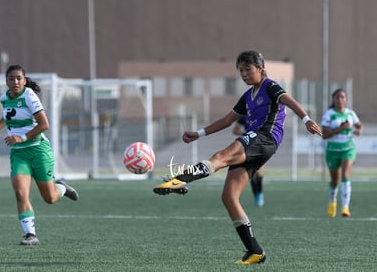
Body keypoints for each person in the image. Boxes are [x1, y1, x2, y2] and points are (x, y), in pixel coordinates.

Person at [153, 50, 322, 265]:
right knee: (229, 196)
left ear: (260, 68)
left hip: (264, 137)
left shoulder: (269, 85)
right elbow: (227, 120)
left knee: (221, 156)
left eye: (247, 69)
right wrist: (199, 133)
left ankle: (181, 179)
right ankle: (255, 251)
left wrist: (306, 119)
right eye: (240, 70)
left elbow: (288, 99)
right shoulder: (248, 96)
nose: (243, 74)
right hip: (259, 144)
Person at [0, 65, 79, 246]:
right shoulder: (5, 98)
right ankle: (30, 234)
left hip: (39, 151)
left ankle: (62, 187)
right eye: (11, 78)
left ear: (24, 81)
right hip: (19, 154)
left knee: (50, 198)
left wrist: (22, 137)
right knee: (20, 192)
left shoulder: (29, 96)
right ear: (6, 81)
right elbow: (8, 116)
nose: (15, 82)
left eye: (19, 78)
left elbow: (44, 125)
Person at [321, 88, 363, 218]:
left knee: (345, 174)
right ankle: (332, 202)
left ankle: (345, 207)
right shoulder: (329, 114)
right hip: (332, 151)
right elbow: (325, 135)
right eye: (337, 97)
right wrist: (341, 128)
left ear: (346, 100)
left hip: (348, 148)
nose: (340, 99)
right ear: (333, 100)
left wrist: (359, 131)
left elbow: (359, 126)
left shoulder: (351, 113)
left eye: (342, 97)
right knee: (335, 180)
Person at [232, 116, 265, 207]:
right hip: (249, 146)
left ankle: (260, 194)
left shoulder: (263, 113)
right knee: (253, 172)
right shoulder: (244, 116)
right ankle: (257, 197)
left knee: (259, 171)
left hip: (262, 144)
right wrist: (246, 133)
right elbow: (235, 130)